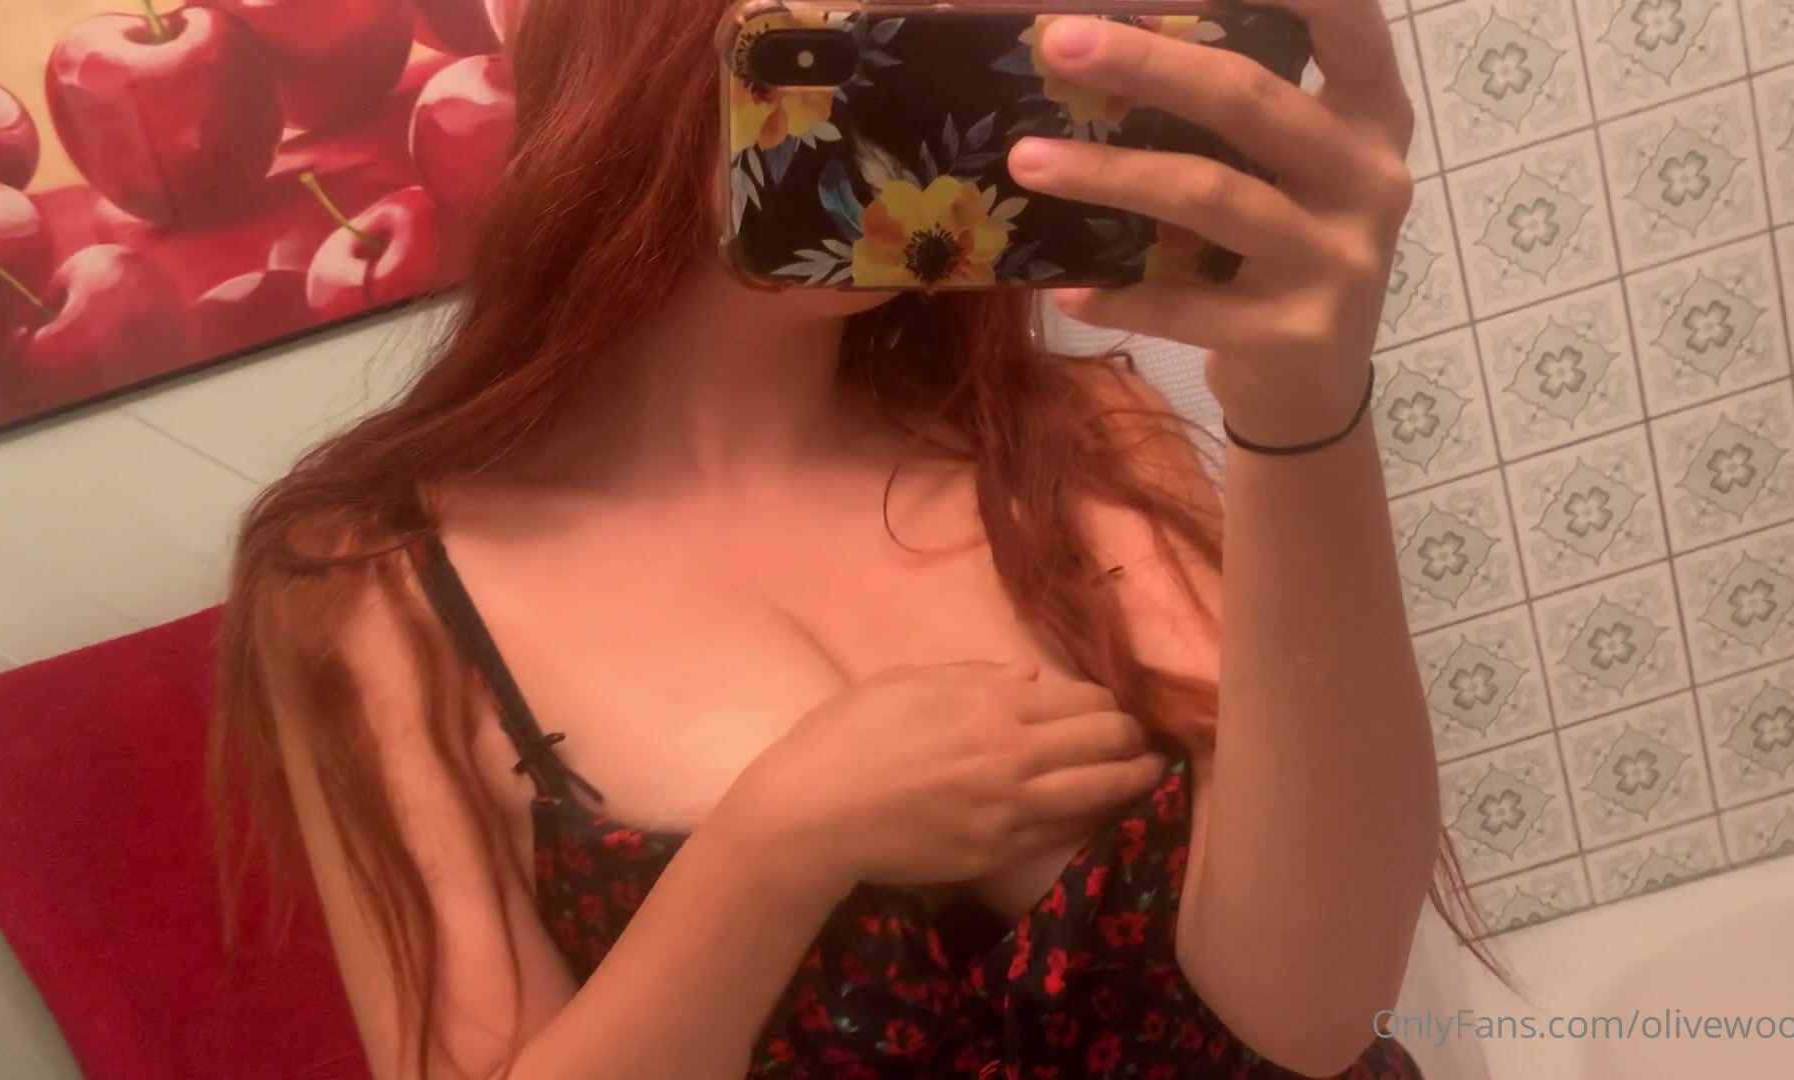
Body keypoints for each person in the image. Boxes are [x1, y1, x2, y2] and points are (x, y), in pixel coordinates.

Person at [214, 1, 1465, 1077]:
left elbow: (1314, 1016)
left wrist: (1304, 405)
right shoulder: (373, 585)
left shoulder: (1089, 439)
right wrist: (781, 842)